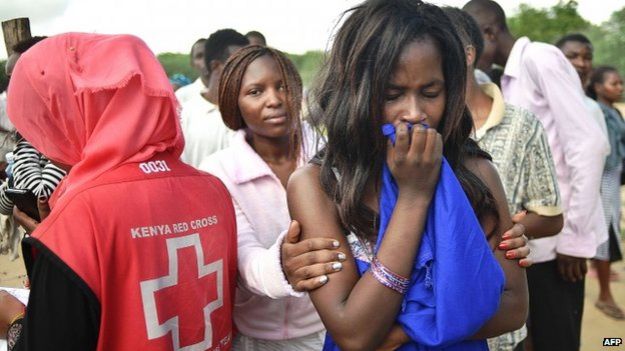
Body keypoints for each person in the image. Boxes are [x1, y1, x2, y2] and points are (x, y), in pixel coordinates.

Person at [288, 1, 529, 350]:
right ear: (354, 91)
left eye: (431, 93)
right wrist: (414, 197)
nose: (414, 113)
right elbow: (354, 334)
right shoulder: (320, 186)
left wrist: (403, 331)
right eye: (392, 94)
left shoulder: (477, 174)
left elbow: (513, 308)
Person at [0, 33, 239, 350]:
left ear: (76, 112)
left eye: (46, 117)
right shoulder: (213, 189)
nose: (44, 135)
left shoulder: (81, 214)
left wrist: (14, 319)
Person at [464, 1, 610, 350]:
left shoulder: (539, 59)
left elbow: (587, 143)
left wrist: (574, 239)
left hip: (557, 247)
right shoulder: (506, 78)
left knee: (557, 340)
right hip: (528, 247)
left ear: (488, 33)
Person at [444, 7, 564, 351]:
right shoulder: (422, 131)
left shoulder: (522, 125)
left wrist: (507, 232)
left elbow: (551, 217)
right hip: (439, 323)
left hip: (502, 321)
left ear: (467, 54)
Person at [201, 44, 331, 350]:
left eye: (282, 86)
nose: (274, 100)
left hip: (335, 328)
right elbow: (242, 257)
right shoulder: (219, 171)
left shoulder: (333, 156)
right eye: (256, 92)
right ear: (235, 103)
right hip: (258, 338)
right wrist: (280, 266)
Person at [586, 65, 625, 320]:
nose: (619, 87)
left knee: (611, 225)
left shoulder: (614, 112)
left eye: (620, 83)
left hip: (613, 176)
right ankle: (604, 294)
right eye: (614, 83)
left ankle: (602, 272)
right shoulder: (597, 111)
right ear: (599, 87)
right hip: (602, 178)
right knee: (605, 231)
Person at [180, 29, 248, 168]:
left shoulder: (249, 113)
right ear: (216, 66)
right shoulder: (183, 116)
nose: (248, 70)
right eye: (239, 64)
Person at [175, 38, 208, 105]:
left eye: (209, 54)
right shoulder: (181, 96)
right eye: (199, 56)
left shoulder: (231, 93)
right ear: (192, 63)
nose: (205, 60)